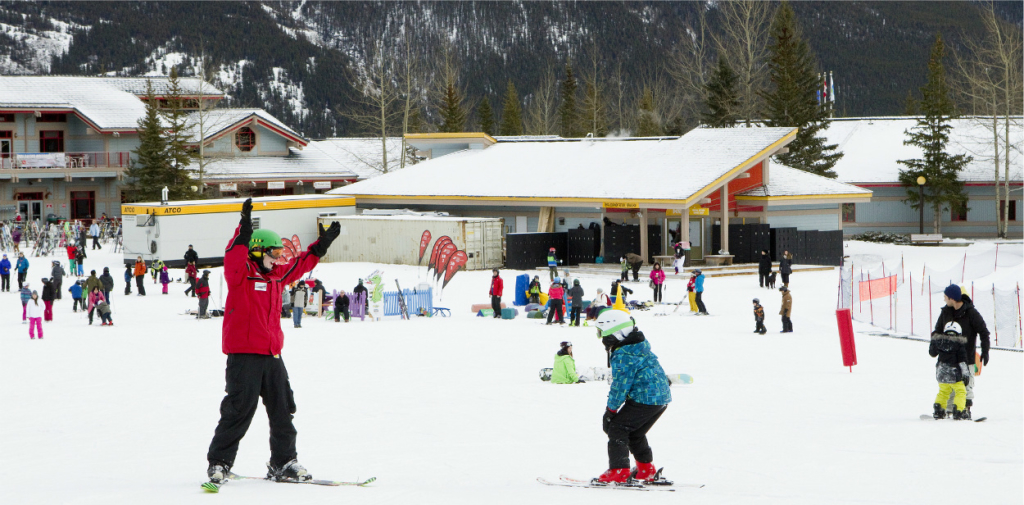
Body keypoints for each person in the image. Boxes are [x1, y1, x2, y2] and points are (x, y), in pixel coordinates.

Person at [205, 198, 340, 486]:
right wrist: (243, 229)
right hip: (244, 355)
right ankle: (219, 463)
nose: (279, 258)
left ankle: (283, 462)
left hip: (272, 354)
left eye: (279, 252)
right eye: (274, 252)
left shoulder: (277, 277)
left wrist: (320, 246)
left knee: (283, 409)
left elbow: (300, 265)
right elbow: (233, 255)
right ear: (257, 251)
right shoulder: (240, 275)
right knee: (239, 409)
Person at [592, 307, 671, 484]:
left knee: (617, 429)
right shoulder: (637, 346)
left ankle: (619, 471)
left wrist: (610, 410)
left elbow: (620, 386)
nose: (601, 338)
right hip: (660, 397)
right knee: (635, 432)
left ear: (616, 332)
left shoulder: (623, 354)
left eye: (601, 333)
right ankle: (645, 469)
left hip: (645, 398)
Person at [933, 284, 989, 419]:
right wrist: (934, 347)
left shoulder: (971, 313)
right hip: (947, 358)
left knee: (965, 386)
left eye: (945, 297)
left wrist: (985, 351)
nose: (944, 300)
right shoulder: (946, 312)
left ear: (952, 298)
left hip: (966, 357)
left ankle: (964, 409)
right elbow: (937, 331)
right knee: (948, 386)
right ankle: (949, 410)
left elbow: (983, 332)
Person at [929, 321, 970, 420]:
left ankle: (939, 409)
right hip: (954, 372)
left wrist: (933, 341)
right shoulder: (959, 344)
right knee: (960, 391)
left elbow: (932, 353)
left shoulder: (939, 341)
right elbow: (962, 361)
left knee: (943, 391)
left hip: (941, 371)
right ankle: (958, 410)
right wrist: (966, 374)